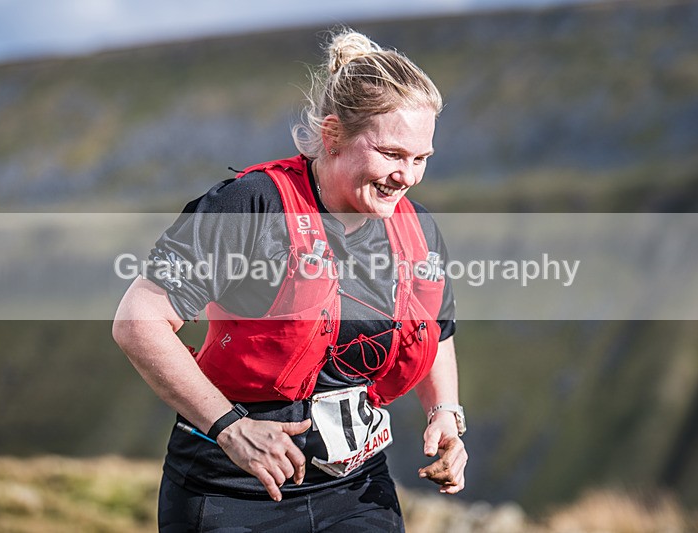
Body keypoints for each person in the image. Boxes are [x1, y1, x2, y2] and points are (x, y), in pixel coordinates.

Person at [113, 28, 468, 532]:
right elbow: (137, 322)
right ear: (332, 136)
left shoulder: (417, 228)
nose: (406, 176)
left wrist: (446, 415)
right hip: (231, 491)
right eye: (391, 154)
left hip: (357, 490)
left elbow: (436, 331)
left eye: (421, 159)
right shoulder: (252, 205)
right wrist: (232, 428)